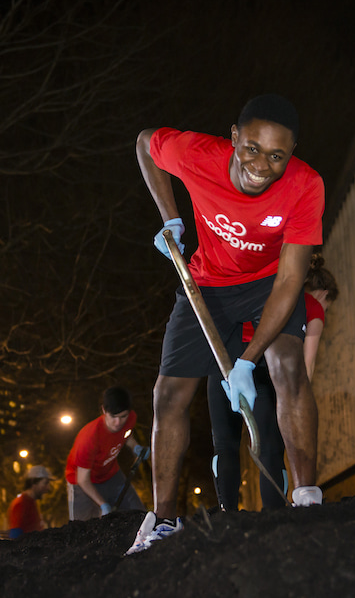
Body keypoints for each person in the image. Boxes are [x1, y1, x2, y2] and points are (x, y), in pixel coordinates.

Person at [128, 93, 325, 554]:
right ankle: (163, 521)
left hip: (268, 284)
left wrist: (247, 361)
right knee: (168, 395)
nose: (261, 165)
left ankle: (307, 500)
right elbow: (144, 143)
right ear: (234, 137)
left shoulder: (305, 185)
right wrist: (171, 218)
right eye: (252, 148)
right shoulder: (198, 155)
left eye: (277, 156)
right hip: (207, 283)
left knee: (288, 366)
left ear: (291, 154)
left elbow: (290, 281)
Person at [207, 253, 339, 511]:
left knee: (224, 443)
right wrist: (294, 405)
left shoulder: (251, 287)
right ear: (323, 293)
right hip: (260, 367)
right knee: (270, 447)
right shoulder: (311, 305)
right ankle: (275, 514)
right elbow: (305, 369)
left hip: (224, 362)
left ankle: (226, 515)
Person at [65, 386, 149, 521]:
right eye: (113, 416)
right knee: (81, 528)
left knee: (139, 515)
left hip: (111, 475)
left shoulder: (130, 418)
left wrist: (136, 447)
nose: (118, 423)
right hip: (82, 481)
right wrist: (102, 504)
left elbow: (126, 434)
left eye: (123, 416)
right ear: (104, 410)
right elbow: (82, 479)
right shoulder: (89, 438)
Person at [7, 465, 52, 539]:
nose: (48, 488)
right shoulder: (21, 504)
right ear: (33, 482)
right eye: (45, 483)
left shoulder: (32, 503)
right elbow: (15, 536)